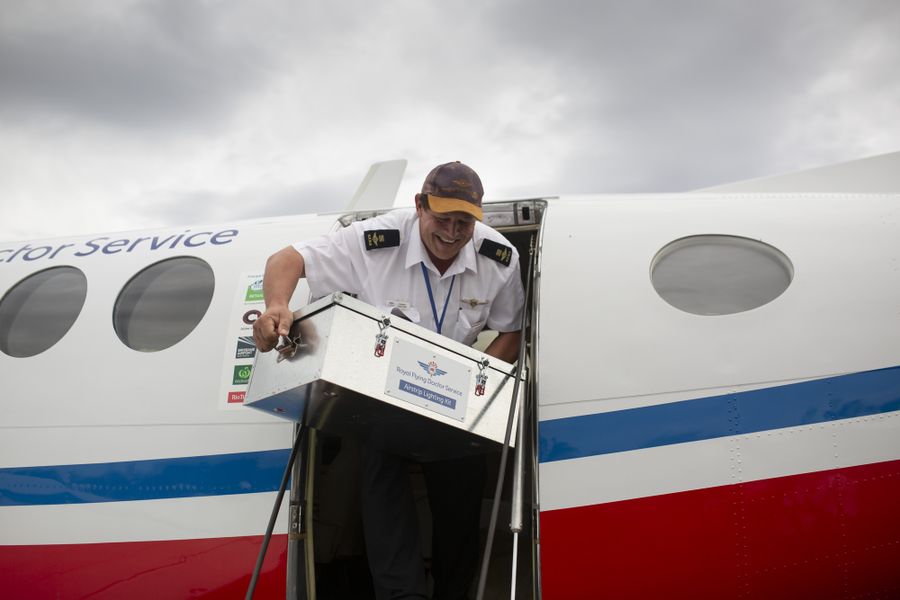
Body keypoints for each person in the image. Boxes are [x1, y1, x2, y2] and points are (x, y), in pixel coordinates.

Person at [253, 161, 525, 599]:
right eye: (442, 219)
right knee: (382, 499)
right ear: (419, 206)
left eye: (464, 223)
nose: (453, 233)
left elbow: (511, 331)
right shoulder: (376, 241)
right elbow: (287, 259)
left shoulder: (499, 257)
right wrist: (276, 306)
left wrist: (474, 384)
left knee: (460, 506)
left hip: (453, 393)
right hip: (387, 392)